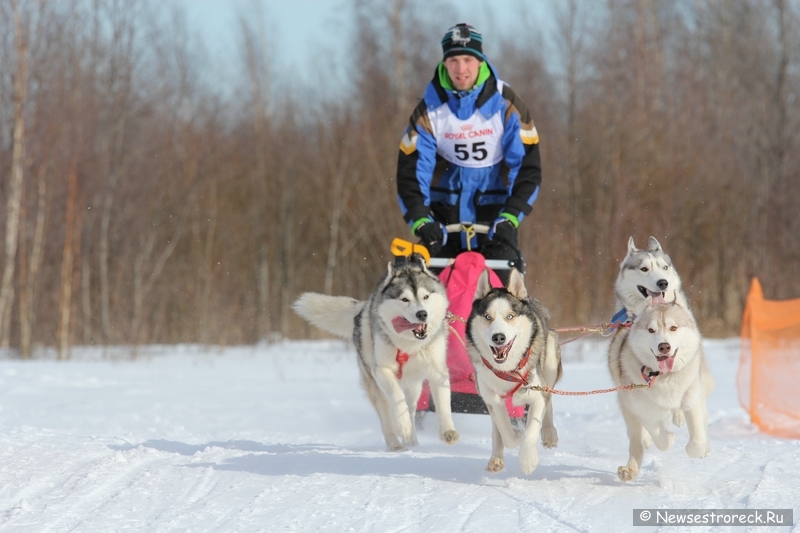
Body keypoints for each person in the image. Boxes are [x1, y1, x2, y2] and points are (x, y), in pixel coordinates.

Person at [396, 23, 542, 285]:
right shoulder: (429, 111)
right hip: (442, 224)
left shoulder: (507, 105)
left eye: (467, 59)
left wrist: (510, 217)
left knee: (504, 300)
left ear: (480, 61)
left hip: (495, 221)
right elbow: (411, 172)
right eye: (453, 60)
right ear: (445, 63)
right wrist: (420, 219)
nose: (460, 69)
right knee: (424, 299)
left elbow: (527, 168)